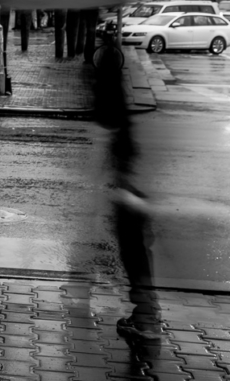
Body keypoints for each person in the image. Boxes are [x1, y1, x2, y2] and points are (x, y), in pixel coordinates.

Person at [92, 40, 161, 341]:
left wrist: (114, 185)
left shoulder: (107, 89)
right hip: (130, 182)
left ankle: (147, 319)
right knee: (136, 249)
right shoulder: (117, 86)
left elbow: (108, 130)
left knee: (133, 250)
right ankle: (146, 314)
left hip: (126, 186)